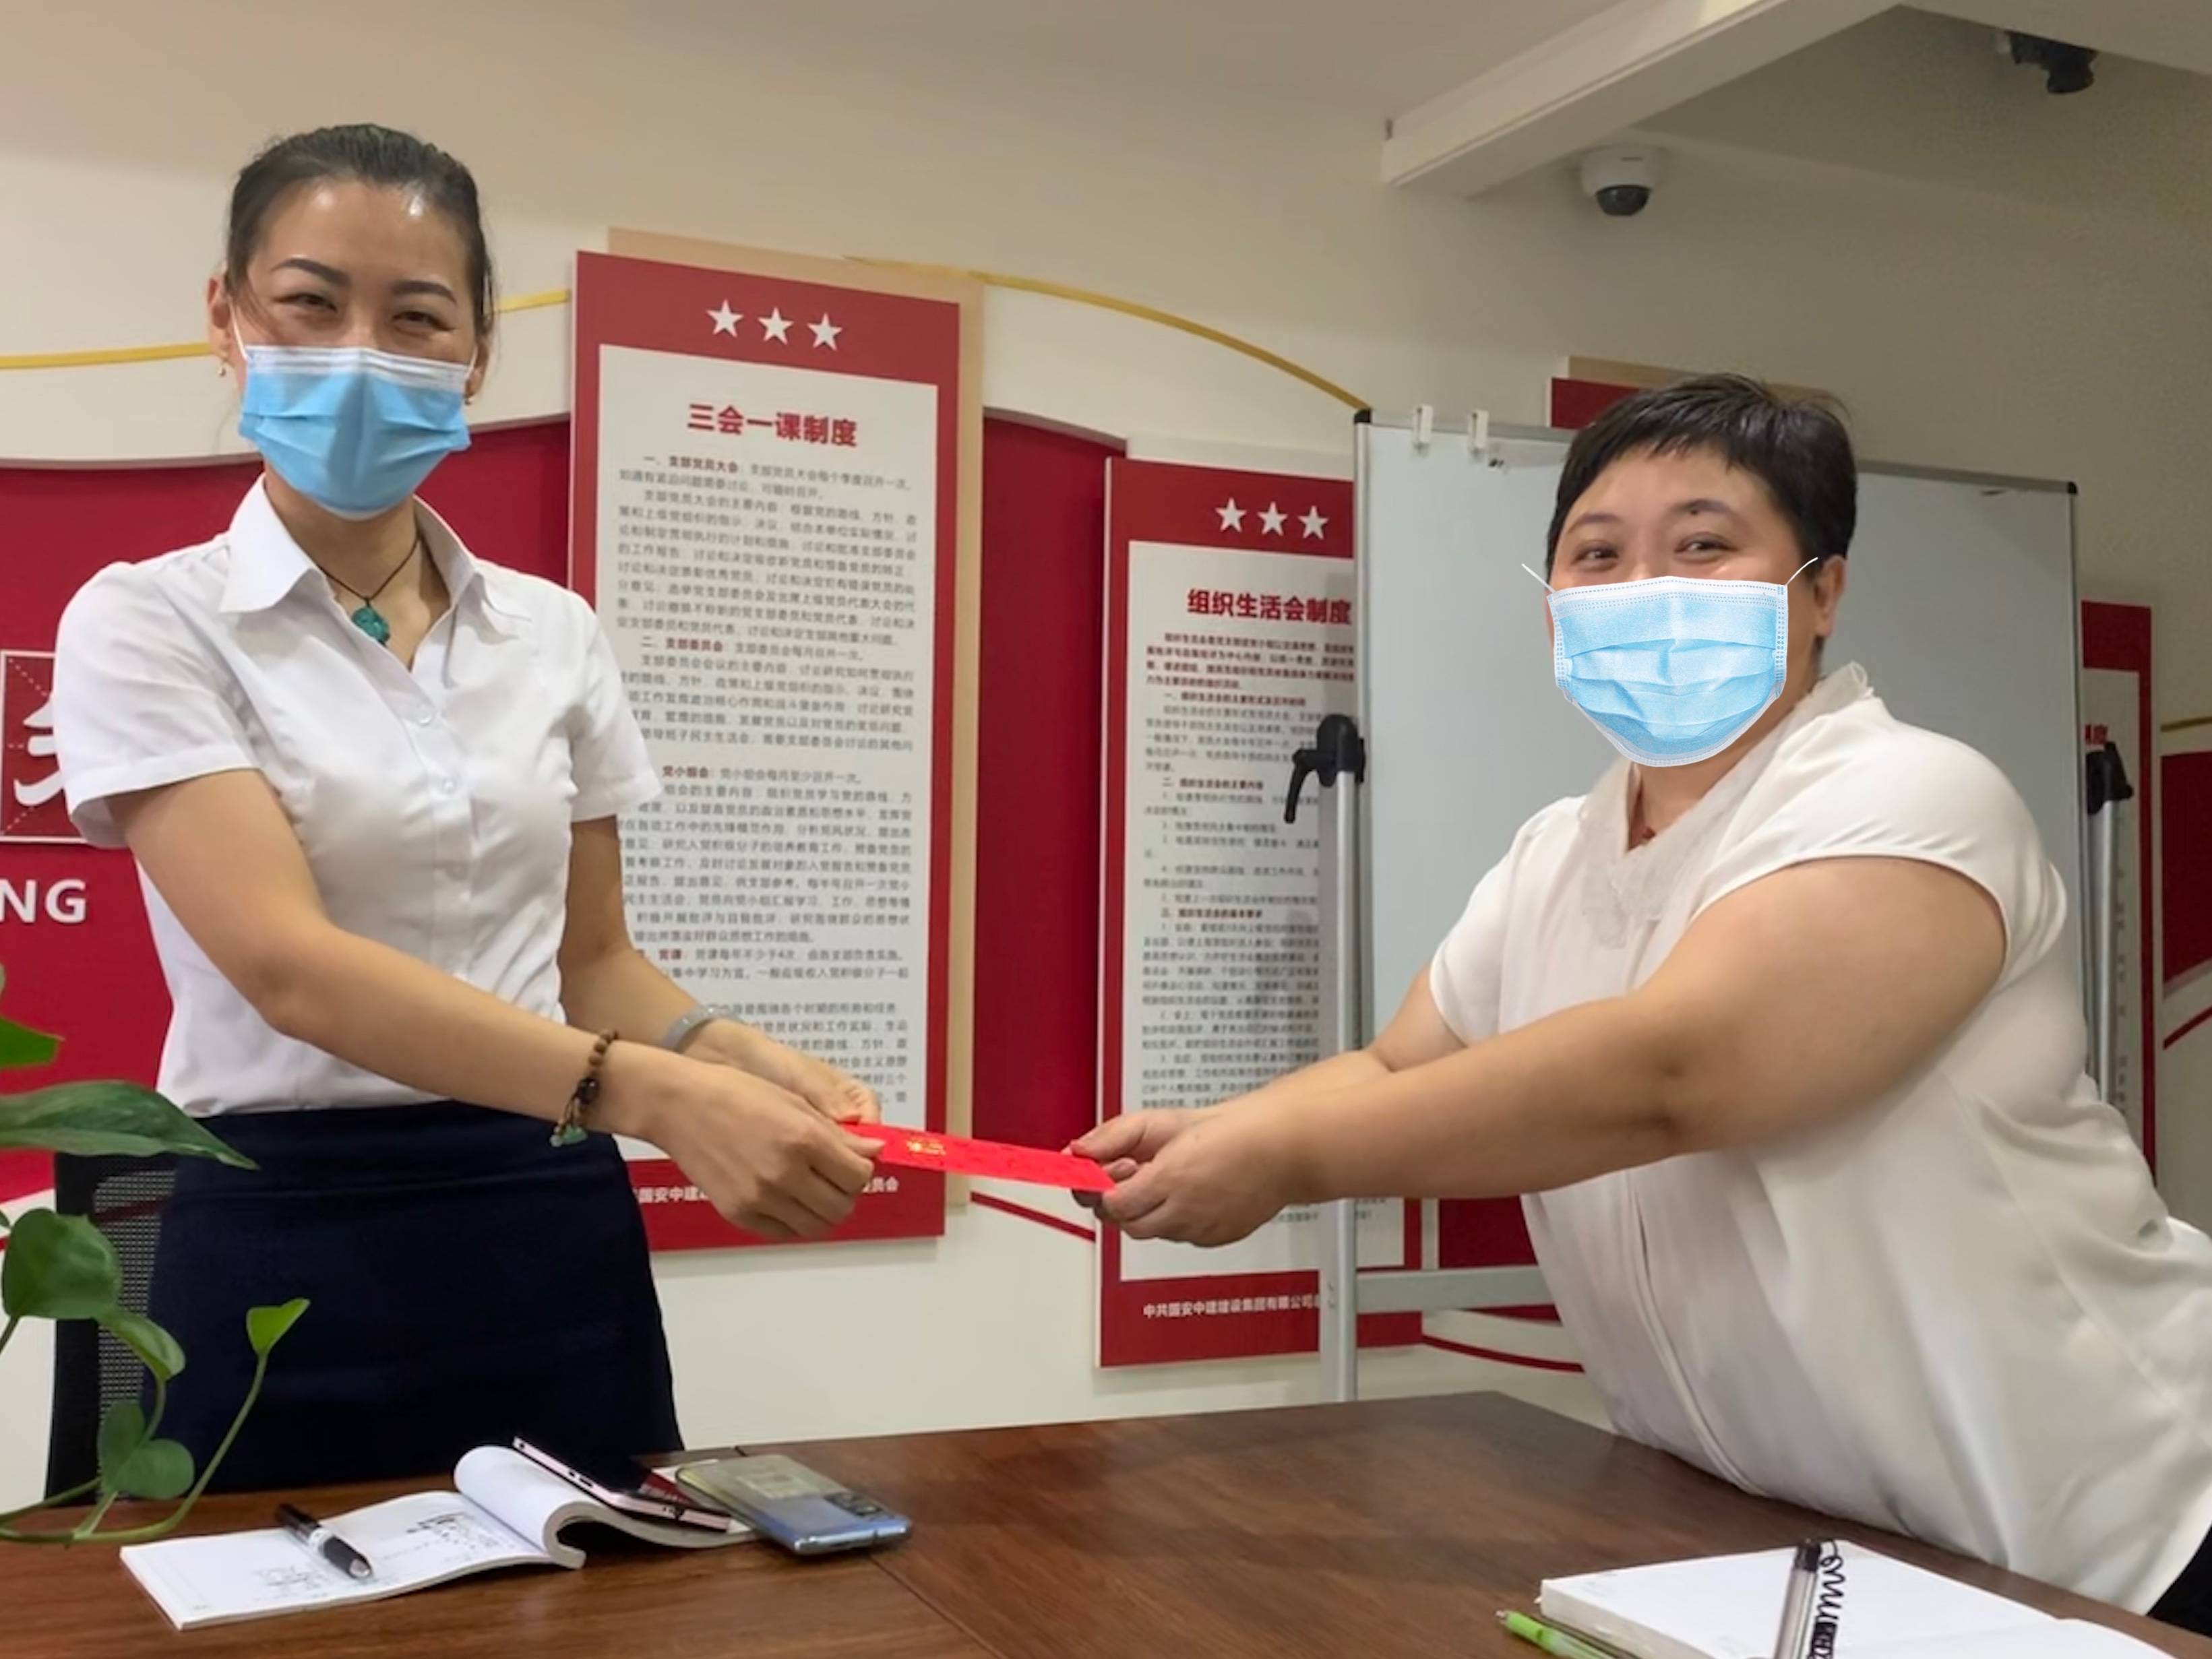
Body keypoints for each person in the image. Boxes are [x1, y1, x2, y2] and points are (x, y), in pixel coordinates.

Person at [1076, 377, 2212, 1629]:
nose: (1644, 590)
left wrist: (1285, 1157)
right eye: (1598, 554)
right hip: (1797, 1551)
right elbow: (1401, 1067)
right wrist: (1217, 1131)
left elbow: (1672, 1075)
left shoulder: (1911, 798)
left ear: (1821, 591)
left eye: (1704, 545)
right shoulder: (1552, 855)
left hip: (2118, 1535)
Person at [50, 124, 882, 1491]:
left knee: (609, 1581)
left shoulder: (551, 633)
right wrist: (652, 1091)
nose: (361, 352)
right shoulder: (149, 619)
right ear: (226, 315)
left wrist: (727, 1049)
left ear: (476, 353)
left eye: (417, 317)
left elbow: (591, 959)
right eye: (312, 303)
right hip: (283, 1229)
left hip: (545, 1217)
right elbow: (291, 969)